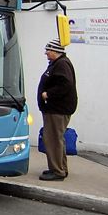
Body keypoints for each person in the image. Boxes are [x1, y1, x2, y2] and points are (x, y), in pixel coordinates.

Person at [37, 39, 77, 181]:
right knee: (56, 139)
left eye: (48, 50)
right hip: (56, 109)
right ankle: (60, 168)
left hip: (57, 109)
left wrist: (48, 94)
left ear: (55, 51)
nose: (46, 53)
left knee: (53, 139)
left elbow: (65, 84)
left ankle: (57, 171)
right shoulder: (59, 63)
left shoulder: (61, 64)